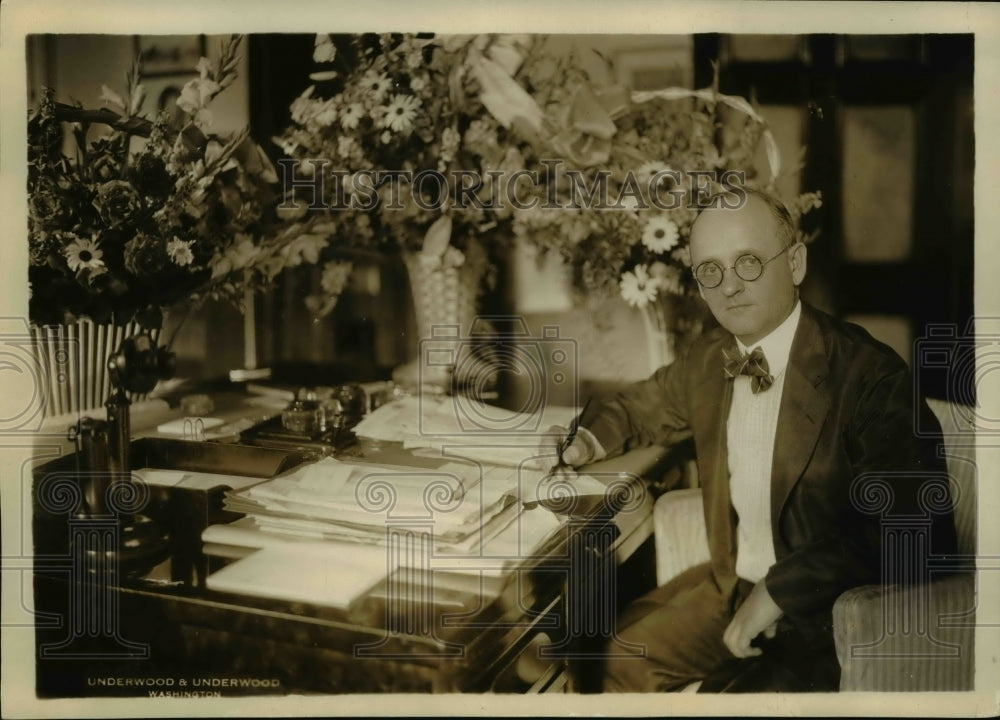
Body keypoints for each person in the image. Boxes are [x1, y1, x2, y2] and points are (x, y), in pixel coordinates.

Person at [550, 188, 958, 692]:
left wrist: (780, 591)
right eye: (710, 271)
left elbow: (913, 529)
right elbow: (642, 405)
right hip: (732, 590)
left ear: (795, 262)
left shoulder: (871, 377)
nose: (729, 287)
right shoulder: (711, 359)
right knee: (601, 667)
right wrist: (587, 441)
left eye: (747, 262)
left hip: (835, 621)